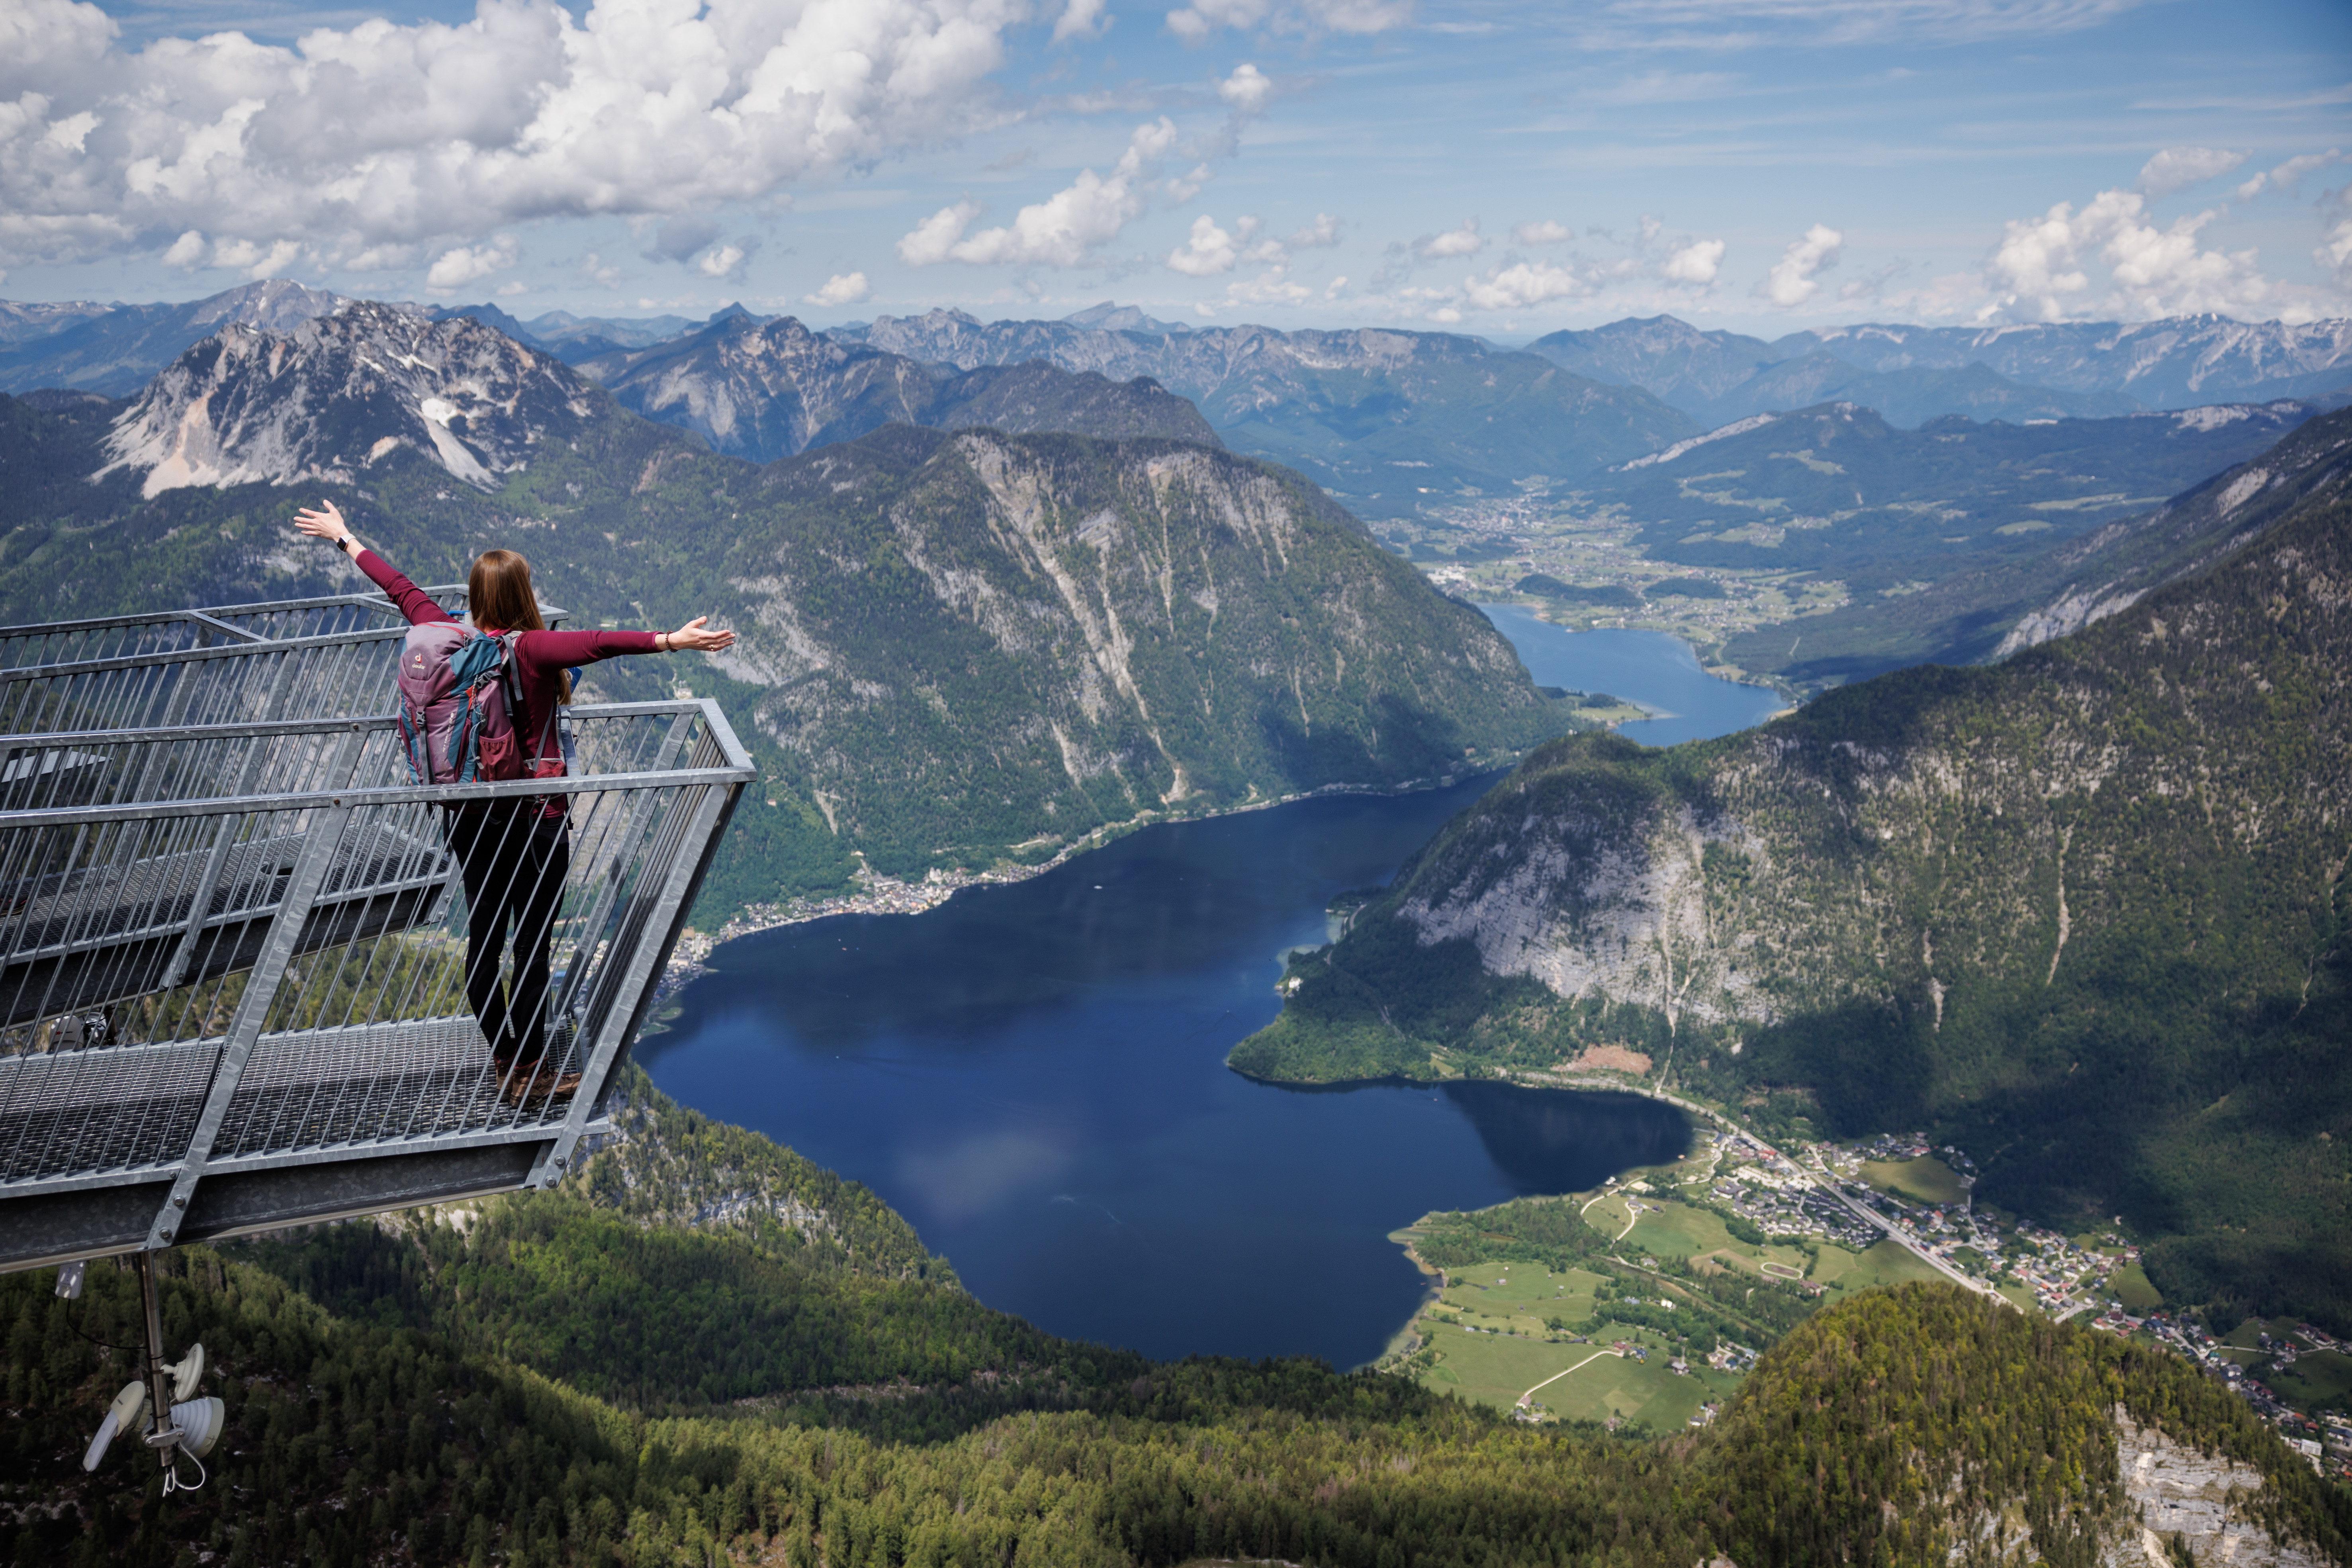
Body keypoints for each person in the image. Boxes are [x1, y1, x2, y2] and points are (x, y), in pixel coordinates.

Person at [293, 500, 735, 1102]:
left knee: (484, 937)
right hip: (533, 822)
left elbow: (399, 588)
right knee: (531, 945)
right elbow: (600, 643)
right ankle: (531, 1071)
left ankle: (506, 1059)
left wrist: (344, 538)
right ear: (522, 594)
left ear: (476, 597)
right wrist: (672, 641)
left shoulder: (445, 634)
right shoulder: (530, 649)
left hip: (468, 817)